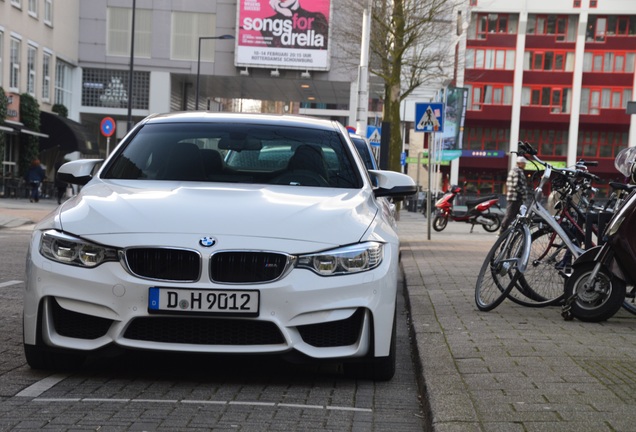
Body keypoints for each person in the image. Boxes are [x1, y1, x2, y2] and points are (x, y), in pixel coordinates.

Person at [500, 156, 528, 234]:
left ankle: (512, 231)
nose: (525, 165)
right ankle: (502, 231)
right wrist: (523, 193)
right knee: (510, 215)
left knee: (515, 216)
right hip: (515, 197)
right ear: (520, 163)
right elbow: (516, 185)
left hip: (514, 197)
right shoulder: (517, 171)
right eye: (524, 164)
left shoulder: (514, 170)